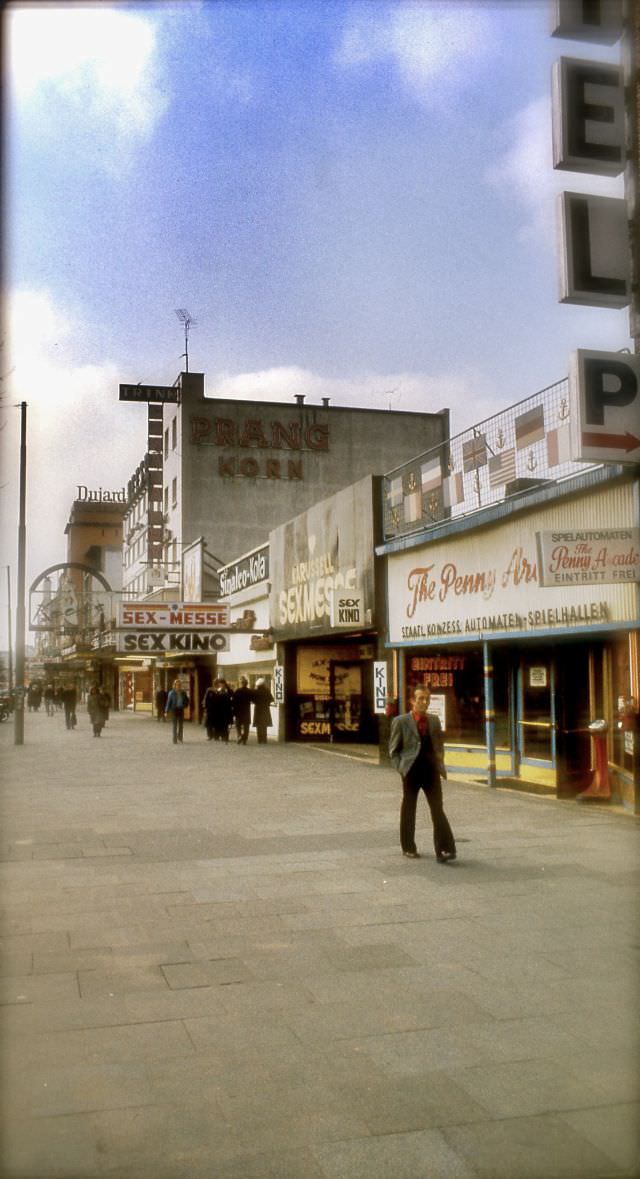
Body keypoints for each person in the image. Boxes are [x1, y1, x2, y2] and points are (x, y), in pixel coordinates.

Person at [389, 685, 456, 863]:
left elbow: (439, 746)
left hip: (431, 772)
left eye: (427, 699)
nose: (424, 702)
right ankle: (408, 847)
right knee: (409, 809)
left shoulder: (434, 720)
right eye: (420, 699)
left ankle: (445, 849)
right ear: (412, 701)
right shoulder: (401, 721)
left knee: (437, 809)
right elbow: (393, 751)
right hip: (411, 772)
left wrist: (440, 762)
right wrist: (402, 769)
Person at [201, 677, 234, 741]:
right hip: (218, 710)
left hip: (226, 710)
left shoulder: (228, 690)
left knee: (225, 724)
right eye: (220, 683)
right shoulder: (215, 691)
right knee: (217, 724)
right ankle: (217, 736)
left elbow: (232, 698)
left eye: (222, 683)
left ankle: (224, 736)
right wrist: (206, 707)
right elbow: (208, 699)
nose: (221, 685)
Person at [165, 678, 189, 744]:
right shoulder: (171, 693)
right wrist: (166, 711)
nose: (178, 686)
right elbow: (168, 702)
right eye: (177, 685)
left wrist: (185, 705)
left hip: (181, 709)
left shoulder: (183, 693)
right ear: (174, 685)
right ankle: (174, 739)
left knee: (181, 725)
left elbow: (187, 700)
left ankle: (180, 737)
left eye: (179, 685)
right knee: (175, 725)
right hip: (174, 710)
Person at [233, 676, 253, 744]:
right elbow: (252, 700)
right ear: (247, 684)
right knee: (246, 726)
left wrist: (234, 710)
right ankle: (244, 739)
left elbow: (234, 701)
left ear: (241, 683)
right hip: (246, 711)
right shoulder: (249, 691)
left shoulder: (237, 691)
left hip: (239, 711)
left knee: (238, 725)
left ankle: (239, 736)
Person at [252, 678, 273, 745]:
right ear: (264, 684)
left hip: (258, 710)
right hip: (265, 710)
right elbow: (271, 699)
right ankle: (264, 739)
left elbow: (252, 700)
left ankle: (259, 739)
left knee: (258, 725)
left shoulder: (255, 691)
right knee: (264, 725)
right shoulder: (267, 691)